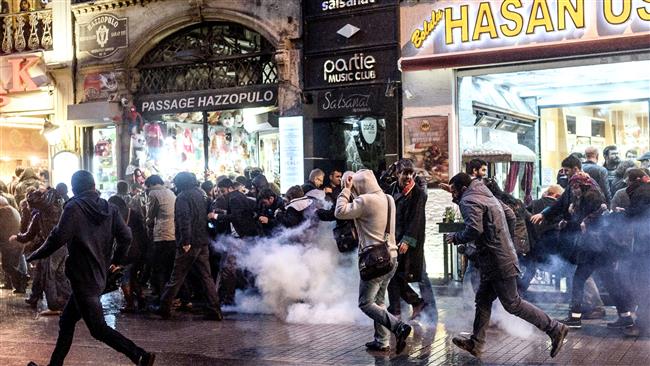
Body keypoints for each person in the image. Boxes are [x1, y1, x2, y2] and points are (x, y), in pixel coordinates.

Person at [24, 170, 155, 366]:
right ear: (94, 186)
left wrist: (35, 254)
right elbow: (126, 237)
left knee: (98, 329)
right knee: (67, 321)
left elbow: (57, 238)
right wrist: (115, 261)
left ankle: (140, 355)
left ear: (75, 189)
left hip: (83, 280)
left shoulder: (74, 208)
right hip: (97, 277)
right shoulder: (110, 209)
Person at [446, 173, 568, 359]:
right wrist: (506, 241)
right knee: (483, 300)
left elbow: (474, 229)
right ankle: (476, 343)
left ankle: (554, 328)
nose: (452, 195)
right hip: (498, 257)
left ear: (463, 189)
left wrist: (456, 237)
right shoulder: (485, 193)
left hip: (496, 260)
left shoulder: (468, 200)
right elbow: (510, 215)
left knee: (512, 303)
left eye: (454, 191)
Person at [335, 169, 412, 354]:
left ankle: (398, 327)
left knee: (365, 303)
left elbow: (339, 212)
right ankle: (382, 340)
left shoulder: (365, 201)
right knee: (378, 300)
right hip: (391, 257)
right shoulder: (388, 198)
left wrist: (345, 190)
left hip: (375, 260)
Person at [151, 172, 222, 321]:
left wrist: (185, 241)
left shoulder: (183, 197)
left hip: (189, 243)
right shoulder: (201, 194)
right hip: (203, 241)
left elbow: (184, 219)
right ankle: (215, 309)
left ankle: (164, 307)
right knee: (206, 276)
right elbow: (208, 214)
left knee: (176, 276)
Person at [386, 159, 436, 320]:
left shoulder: (418, 193)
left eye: (410, 173)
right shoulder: (392, 189)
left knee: (420, 276)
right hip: (395, 239)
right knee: (392, 274)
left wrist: (407, 240)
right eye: (404, 173)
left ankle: (428, 310)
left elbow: (416, 219)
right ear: (397, 174)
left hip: (411, 242)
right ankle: (403, 307)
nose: (408, 177)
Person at [144, 175, 176, 300]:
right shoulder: (170, 192)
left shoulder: (153, 193)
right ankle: (172, 295)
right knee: (170, 267)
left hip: (161, 234)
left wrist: (147, 223)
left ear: (151, 184)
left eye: (148, 186)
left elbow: (150, 215)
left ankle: (162, 296)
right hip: (173, 233)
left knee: (159, 267)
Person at [0, 196, 26, 292]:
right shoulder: (13, 209)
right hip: (17, 243)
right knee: (11, 265)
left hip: (10, 244)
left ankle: (23, 277)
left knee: (7, 266)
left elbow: (2, 229)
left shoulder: (4, 211)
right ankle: (15, 286)